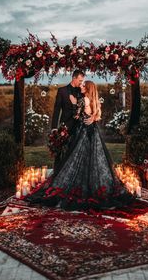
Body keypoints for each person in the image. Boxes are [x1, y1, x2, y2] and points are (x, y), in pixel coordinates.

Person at [26, 80, 132, 210]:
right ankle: (92, 183)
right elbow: (97, 116)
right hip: (93, 131)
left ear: (87, 88)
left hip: (83, 131)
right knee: (93, 157)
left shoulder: (83, 99)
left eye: (83, 86)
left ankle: (79, 184)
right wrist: (92, 116)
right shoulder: (94, 101)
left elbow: (76, 115)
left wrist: (73, 102)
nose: (81, 86)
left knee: (76, 156)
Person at [51, 69, 85, 174]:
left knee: (76, 150)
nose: (81, 83)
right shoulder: (62, 91)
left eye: (82, 80)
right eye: (80, 80)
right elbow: (57, 110)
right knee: (60, 151)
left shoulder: (82, 91)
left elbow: (84, 108)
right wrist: (54, 127)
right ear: (74, 78)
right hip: (64, 126)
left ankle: (74, 173)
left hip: (79, 126)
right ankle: (57, 173)